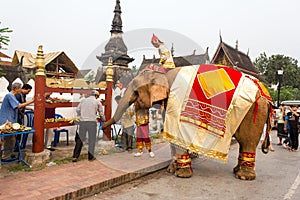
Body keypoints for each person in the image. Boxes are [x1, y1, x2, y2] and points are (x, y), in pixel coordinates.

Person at [0, 82, 34, 159]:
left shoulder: (13, 96)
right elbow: (18, 106)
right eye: (20, 88)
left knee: (11, 139)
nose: (21, 90)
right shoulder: (9, 96)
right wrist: (32, 101)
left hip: (11, 119)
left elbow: (18, 106)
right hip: (6, 120)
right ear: (16, 89)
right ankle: (6, 156)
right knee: (8, 139)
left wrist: (29, 108)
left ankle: (8, 154)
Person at [72, 90, 106, 162]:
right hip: (92, 123)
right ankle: (90, 157)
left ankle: (75, 156)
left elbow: (77, 110)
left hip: (83, 122)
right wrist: (104, 120)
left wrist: (82, 114)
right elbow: (101, 113)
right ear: (96, 96)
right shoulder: (97, 102)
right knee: (92, 140)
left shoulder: (83, 101)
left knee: (80, 139)